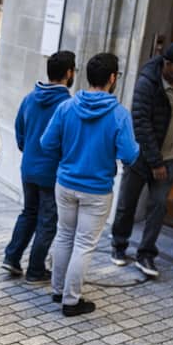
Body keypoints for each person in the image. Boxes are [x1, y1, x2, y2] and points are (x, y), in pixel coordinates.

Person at [40, 53, 140, 317]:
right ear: (112, 78)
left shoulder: (67, 107)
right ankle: (71, 302)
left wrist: (69, 152)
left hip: (65, 183)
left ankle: (58, 290)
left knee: (64, 235)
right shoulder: (119, 115)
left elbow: (46, 143)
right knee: (84, 244)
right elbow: (129, 155)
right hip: (96, 189)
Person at [110, 42, 173, 277]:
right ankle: (119, 245)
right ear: (169, 65)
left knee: (158, 207)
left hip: (168, 156)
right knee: (127, 204)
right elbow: (141, 124)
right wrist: (155, 162)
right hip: (141, 156)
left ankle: (146, 254)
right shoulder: (146, 83)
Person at [1, 51, 75, 284]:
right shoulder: (67, 104)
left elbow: (20, 131)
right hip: (50, 171)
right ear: (69, 73)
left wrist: (29, 150)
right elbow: (69, 141)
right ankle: (35, 270)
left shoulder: (30, 97)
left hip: (29, 167)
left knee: (29, 212)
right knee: (47, 220)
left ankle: (11, 257)